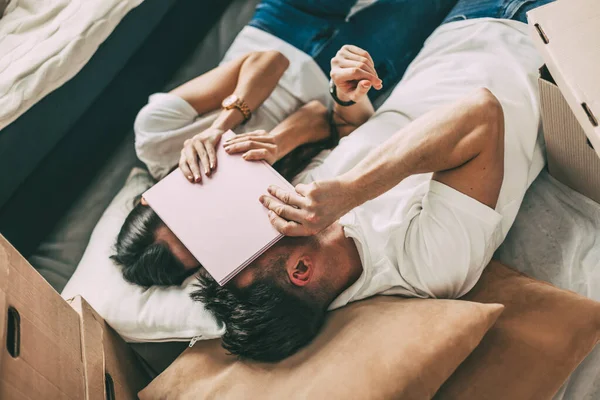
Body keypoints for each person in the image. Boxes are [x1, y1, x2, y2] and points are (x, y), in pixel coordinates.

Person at [191, 0, 553, 362]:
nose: (253, 219)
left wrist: (346, 98)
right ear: (301, 269)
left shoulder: (303, 208)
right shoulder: (425, 267)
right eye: (254, 242)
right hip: (534, 34)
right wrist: (350, 192)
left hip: (456, 26)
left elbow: (352, 130)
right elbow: (480, 114)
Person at [111, 0, 457, 287]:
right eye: (200, 236)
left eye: (184, 215)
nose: (204, 211)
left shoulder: (156, 138)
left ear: (152, 197)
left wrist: (220, 127)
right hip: (343, 73)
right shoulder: (262, 214)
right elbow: (324, 118)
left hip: (285, 22)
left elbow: (270, 61)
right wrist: (275, 145)